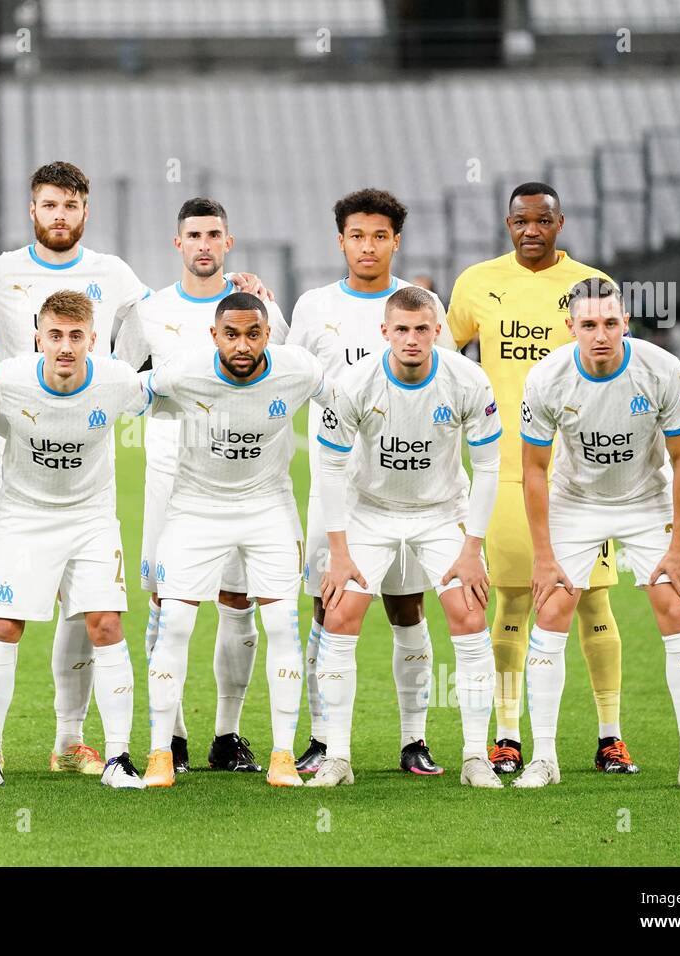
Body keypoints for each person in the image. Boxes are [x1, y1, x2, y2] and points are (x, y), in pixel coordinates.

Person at [0, 161, 269, 776]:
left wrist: (234, 286)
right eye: (49, 205)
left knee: (88, 609)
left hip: (88, 461)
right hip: (17, 462)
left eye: (70, 206)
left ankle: (71, 739)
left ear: (84, 211)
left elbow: (172, 328)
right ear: (33, 209)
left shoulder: (116, 276)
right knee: (9, 609)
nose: (60, 216)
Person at [447, 181, 636, 776]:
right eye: (520, 221)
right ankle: (507, 736)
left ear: (560, 222)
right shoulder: (477, 282)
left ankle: (610, 737)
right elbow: (444, 361)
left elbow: (611, 367)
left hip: (581, 475)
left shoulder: (590, 287)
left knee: (591, 598)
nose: (531, 230)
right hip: (505, 469)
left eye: (542, 220)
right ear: (508, 224)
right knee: (512, 596)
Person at [516, 278, 680, 791]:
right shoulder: (547, 379)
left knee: (675, 606)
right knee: (554, 607)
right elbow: (535, 471)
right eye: (588, 325)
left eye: (610, 323)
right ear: (571, 328)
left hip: (646, 499)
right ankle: (543, 758)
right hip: (576, 502)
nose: (600, 334)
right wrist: (543, 556)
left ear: (626, 322)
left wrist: (679, 549)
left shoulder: (661, 369)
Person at [113, 196, 288, 774]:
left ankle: (227, 735)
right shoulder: (150, 311)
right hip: (171, 479)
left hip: (250, 481)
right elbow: (122, 379)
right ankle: (175, 738)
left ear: (228, 242)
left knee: (240, 604)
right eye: (194, 235)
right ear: (178, 244)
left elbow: (282, 375)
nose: (205, 244)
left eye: (215, 234)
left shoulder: (262, 306)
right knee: (168, 605)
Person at [288, 189, 454, 776]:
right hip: (337, 488)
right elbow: (289, 379)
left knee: (407, 606)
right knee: (326, 605)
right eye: (357, 235)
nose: (367, 246)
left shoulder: (423, 303)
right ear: (340, 240)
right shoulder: (313, 307)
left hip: (407, 492)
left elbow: (450, 387)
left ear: (396, 241)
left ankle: (415, 740)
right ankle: (321, 738)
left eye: (379, 236)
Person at [313, 286, 503, 789]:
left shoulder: (468, 380)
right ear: (385, 332)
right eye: (402, 329)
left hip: (440, 512)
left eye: (422, 329)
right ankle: (337, 756)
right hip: (371, 512)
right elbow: (330, 466)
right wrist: (338, 550)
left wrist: (472, 548)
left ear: (438, 331)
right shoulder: (355, 382)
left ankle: (474, 756)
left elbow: (488, 468)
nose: (412, 338)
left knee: (469, 613)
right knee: (340, 614)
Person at [0, 290, 149, 790]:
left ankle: (119, 759)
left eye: (76, 336)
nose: (65, 346)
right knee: (3, 626)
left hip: (91, 518)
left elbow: (171, 389)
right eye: (55, 335)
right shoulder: (9, 380)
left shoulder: (117, 382)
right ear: (38, 337)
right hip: (23, 517)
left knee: (106, 625)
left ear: (92, 339)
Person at [142, 292, 323, 789]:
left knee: (282, 625)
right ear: (214, 335)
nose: (242, 345)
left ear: (268, 334)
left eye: (253, 334)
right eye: (231, 334)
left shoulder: (299, 370)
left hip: (268, 507)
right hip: (195, 507)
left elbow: (348, 399)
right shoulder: (184, 373)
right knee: (175, 620)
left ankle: (283, 754)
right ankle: (161, 752)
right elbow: (128, 395)